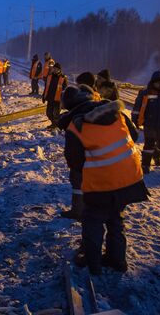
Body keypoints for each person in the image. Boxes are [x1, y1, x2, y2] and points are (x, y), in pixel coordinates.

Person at [61, 85, 148, 275]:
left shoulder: (76, 126)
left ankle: (93, 263)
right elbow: (133, 135)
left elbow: (74, 161)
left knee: (92, 219)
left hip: (102, 183)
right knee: (116, 218)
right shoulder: (117, 113)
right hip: (130, 177)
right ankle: (117, 261)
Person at [57, 84, 95, 220]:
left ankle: (78, 210)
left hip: (96, 160)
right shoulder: (103, 108)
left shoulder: (75, 122)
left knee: (77, 177)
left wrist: (78, 170)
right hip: (126, 168)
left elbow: (73, 157)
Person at [42, 62, 68, 129]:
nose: (55, 70)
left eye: (57, 69)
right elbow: (46, 87)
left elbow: (65, 90)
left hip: (58, 99)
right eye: (54, 68)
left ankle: (56, 126)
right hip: (50, 98)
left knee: (56, 115)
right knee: (49, 113)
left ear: (59, 70)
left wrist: (64, 100)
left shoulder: (63, 78)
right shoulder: (49, 76)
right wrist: (44, 96)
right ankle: (54, 124)